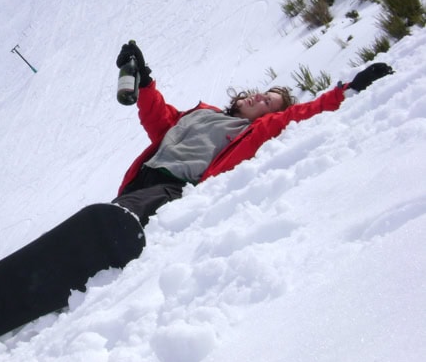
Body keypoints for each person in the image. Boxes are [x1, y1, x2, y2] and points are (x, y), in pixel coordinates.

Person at [112, 41, 394, 224]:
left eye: (267, 103)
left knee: (122, 217)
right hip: (140, 179)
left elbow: (303, 112)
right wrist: (145, 81)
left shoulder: (249, 132)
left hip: (172, 188)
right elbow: (160, 121)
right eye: (262, 94)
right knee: (109, 215)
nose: (259, 97)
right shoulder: (204, 113)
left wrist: (349, 90)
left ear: (269, 115)